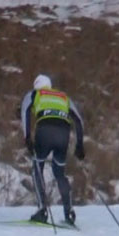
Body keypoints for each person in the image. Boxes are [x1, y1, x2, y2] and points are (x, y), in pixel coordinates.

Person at [20, 74, 86, 225]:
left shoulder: (34, 94)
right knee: (59, 173)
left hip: (45, 131)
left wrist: (27, 138)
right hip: (63, 133)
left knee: (37, 168)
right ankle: (69, 212)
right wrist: (79, 144)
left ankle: (42, 209)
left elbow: (25, 113)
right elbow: (78, 120)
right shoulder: (63, 97)